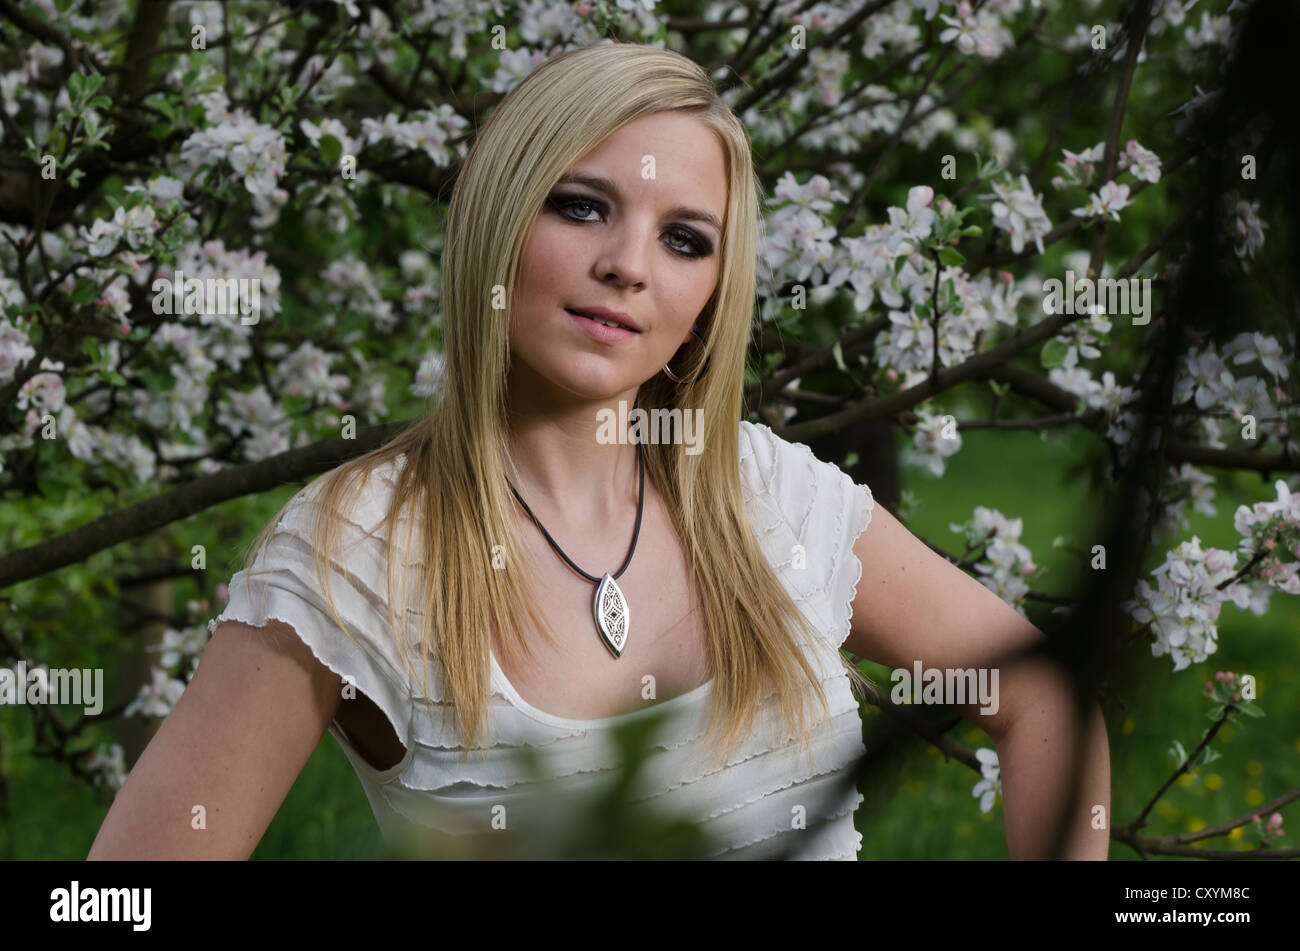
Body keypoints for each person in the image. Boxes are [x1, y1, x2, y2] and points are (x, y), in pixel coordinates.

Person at [87, 41, 1110, 861]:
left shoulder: (776, 497)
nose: (626, 266)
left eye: (684, 239)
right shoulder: (355, 550)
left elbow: (1040, 695)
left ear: (716, 290)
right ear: (496, 219)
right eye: (582, 207)